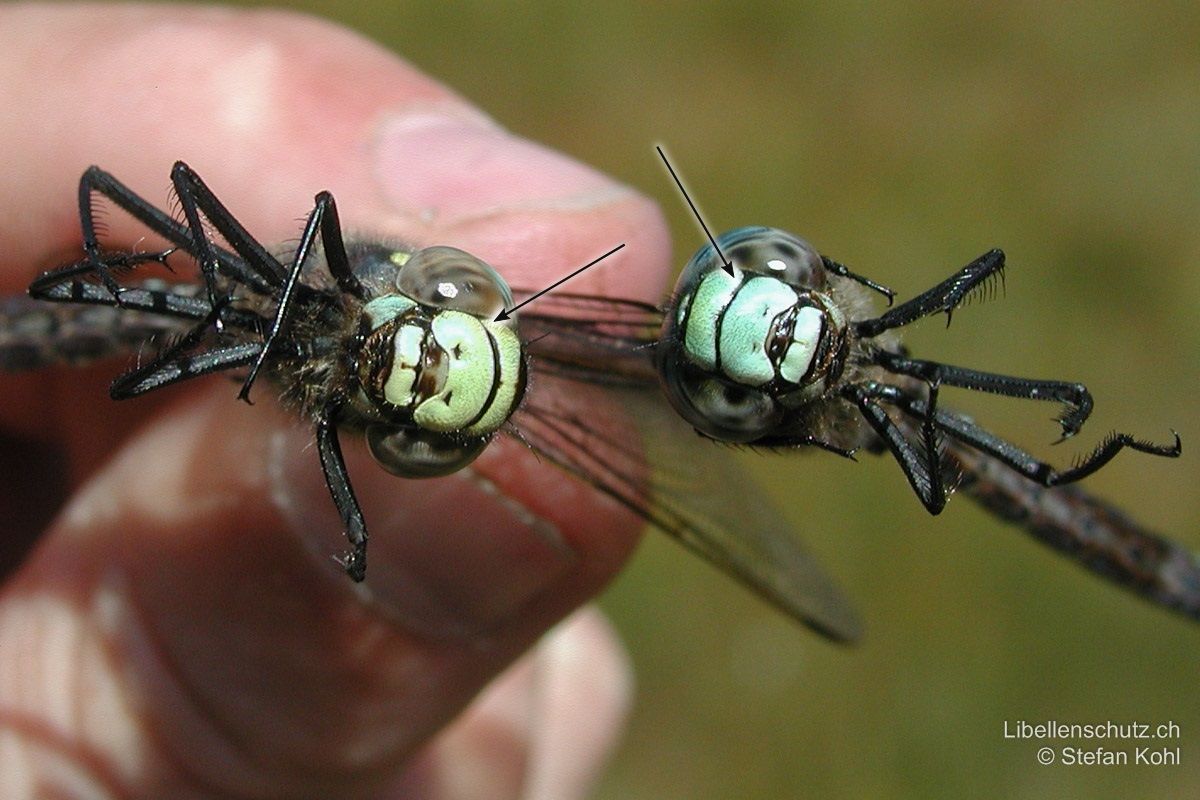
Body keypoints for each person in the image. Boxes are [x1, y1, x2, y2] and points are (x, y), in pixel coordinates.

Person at [0, 6, 673, 798]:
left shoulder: (335, 395)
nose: (421, 373)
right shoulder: (331, 288)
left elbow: (333, 472)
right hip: (206, 299)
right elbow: (292, 208)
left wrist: (356, 539)